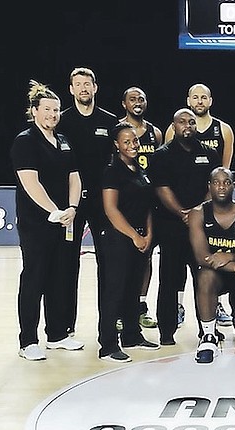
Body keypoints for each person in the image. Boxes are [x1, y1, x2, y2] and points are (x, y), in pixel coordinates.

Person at [11, 80, 85, 360]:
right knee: (35, 278)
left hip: (65, 220)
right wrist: (53, 211)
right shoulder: (25, 141)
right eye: (47, 110)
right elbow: (31, 183)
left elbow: (74, 177)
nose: (53, 115)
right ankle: (28, 340)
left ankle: (57, 335)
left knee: (60, 278)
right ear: (35, 111)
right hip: (37, 225)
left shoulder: (63, 141)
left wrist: (72, 207)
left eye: (56, 110)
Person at [164, 83, 235, 327]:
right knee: (175, 267)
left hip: (207, 211)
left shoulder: (223, 129)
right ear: (189, 100)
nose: (200, 100)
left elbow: (221, 177)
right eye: (195, 97)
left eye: (204, 97)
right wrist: (183, 212)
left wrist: (200, 210)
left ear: (210, 100)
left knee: (208, 261)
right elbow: (165, 177)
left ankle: (216, 306)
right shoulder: (172, 134)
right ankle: (179, 306)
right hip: (175, 216)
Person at [149, 108, 222, 346]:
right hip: (171, 227)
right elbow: (162, 188)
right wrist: (182, 213)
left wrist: (197, 213)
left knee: (203, 278)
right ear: (174, 126)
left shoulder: (209, 153)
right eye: (182, 122)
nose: (187, 126)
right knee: (169, 280)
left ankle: (207, 329)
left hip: (201, 227)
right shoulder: (162, 155)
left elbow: (213, 186)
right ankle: (167, 332)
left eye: (192, 122)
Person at [57, 67, 118, 336]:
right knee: (68, 263)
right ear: (71, 90)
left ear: (95, 88)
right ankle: (66, 326)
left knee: (108, 262)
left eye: (87, 84)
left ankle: (109, 323)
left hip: (102, 202)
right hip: (72, 203)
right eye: (78, 84)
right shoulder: (62, 121)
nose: (83, 88)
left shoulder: (109, 120)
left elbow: (116, 164)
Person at [98, 122, 160, 362]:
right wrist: (134, 236)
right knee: (114, 290)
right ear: (116, 145)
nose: (133, 145)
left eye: (135, 141)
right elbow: (110, 210)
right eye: (127, 141)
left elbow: (147, 206)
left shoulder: (139, 169)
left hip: (141, 237)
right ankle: (108, 344)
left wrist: (149, 234)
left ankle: (132, 335)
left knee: (133, 289)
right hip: (118, 238)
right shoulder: (112, 171)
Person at [189, 167, 235, 364]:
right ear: (209, 186)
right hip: (217, 274)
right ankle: (208, 336)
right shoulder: (198, 214)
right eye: (216, 182)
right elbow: (201, 257)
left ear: (234, 186)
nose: (221, 186)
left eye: (226, 182)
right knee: (204, 275)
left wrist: (229, 255)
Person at [119, 86, 163, 329]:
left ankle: (140, 306)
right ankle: (119, 309)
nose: (137, 102)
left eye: (141, 98)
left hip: (149, 201)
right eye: (132, 99)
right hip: (125, 202)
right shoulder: (117, 130)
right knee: (121, 258)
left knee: (146, 256)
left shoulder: (155, 132)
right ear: (124, 104)